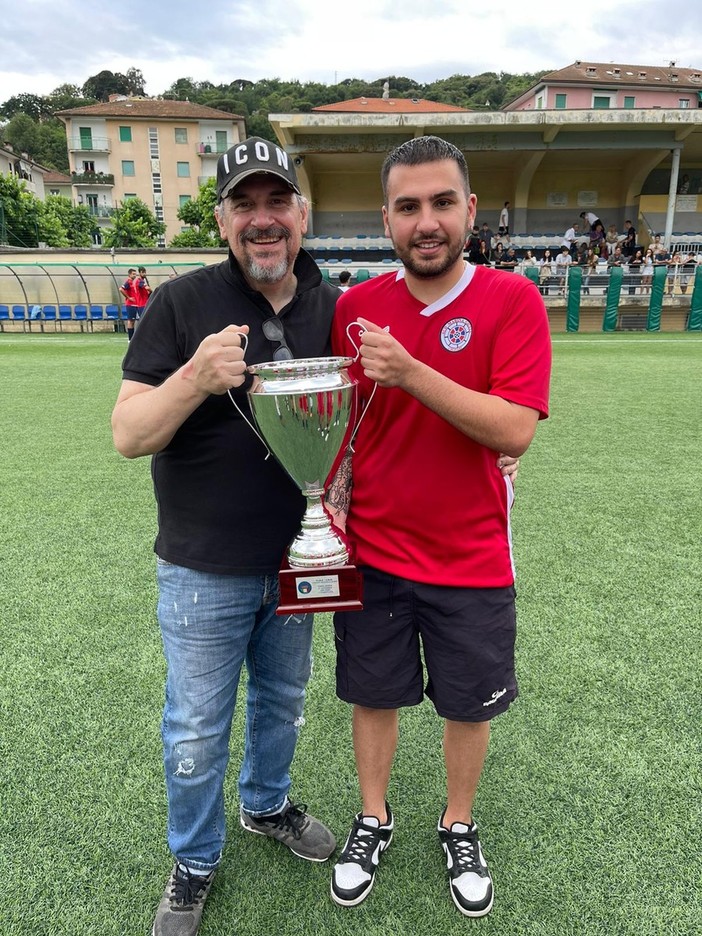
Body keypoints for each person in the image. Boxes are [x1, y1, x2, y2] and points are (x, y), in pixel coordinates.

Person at [111, 136, 340, 936]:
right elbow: (128, 434)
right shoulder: (179, 304)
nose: (263, 219)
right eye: (245, 203)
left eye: (277, 201)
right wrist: (192, 379)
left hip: (302, 559)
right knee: (198, 725)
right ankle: (194, 859)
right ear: (222, 220)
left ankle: (267, 806)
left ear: (302, 215)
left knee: (283, 701)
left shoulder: (336, 305)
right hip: (202, 568)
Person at [327, 136, 551, 918]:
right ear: (385, 219)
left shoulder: (512, 300)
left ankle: (458, 822)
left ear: (470, 211)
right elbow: (342, 427)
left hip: (474, 557)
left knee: (468, 704)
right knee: (372, 694)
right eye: (409, 206)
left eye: (442, 203)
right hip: (377, 553)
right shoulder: (354, 309)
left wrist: (413, 370)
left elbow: (514, 429)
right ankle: (373, 815)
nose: (428, 221)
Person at [119, 268, 139, 340]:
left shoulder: (134, 282)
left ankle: (133, 338)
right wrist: (128, 297)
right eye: (133, 274)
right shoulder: (128, 282)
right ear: (129, 274)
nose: (135, 275)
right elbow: (121, 289)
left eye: (135, 274)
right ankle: (130, 339)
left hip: (136, 304)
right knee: (131, 321)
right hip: (130, 304)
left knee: (133, 321)